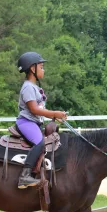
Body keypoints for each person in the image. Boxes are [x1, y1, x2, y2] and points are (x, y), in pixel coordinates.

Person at [16, 52, 67, 189]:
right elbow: (34, 109)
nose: (43, 70)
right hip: (26, 122)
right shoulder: (27, 87)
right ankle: (24, 176)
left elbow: (40, 109)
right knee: (39, 143)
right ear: (33, 69)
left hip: (34, 123)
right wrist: (53, 114)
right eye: (41, 66)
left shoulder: (35, 88)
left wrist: (55, 117)